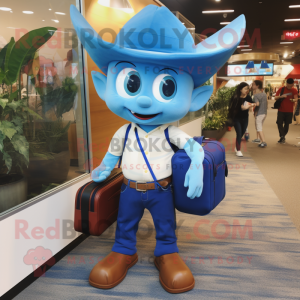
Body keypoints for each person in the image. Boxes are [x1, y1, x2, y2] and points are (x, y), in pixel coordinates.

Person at [228, 82, 256, 157]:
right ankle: (239, 150)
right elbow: (231, 108)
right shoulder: (236, 97)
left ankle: (237, 144)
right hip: (236, 118)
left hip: (245, 118)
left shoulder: (248, 97)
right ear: (240, 90)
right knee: (239, 133)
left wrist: (250, 106)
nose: (247, 90)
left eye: (247, 88)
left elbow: (253, 104)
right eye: (245, 89)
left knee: (242, 133)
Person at [275, 78, 298, 144]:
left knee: (287, 124)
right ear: (286, 83)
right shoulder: (281, 89)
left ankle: (282, 137)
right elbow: (275, 97)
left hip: (289, 110)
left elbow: (296, 99)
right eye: (288, 85)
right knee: (279, 123)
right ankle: (282, 136)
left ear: (293, 84)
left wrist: (293, 100)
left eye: (291, 85)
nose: (289, 87)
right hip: (281, 109)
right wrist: (281, 96)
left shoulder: (294, 90)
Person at [251, 80, 268, 147]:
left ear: (257, 86)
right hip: (264, 113)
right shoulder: (264, 94)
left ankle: (263, 141)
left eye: (253, 84)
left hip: (259, 113)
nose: (252, 86)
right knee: (259, 126)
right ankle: (258, 139)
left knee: (259, 128)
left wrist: (251, 104)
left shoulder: (256, 95)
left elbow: (257, 104)